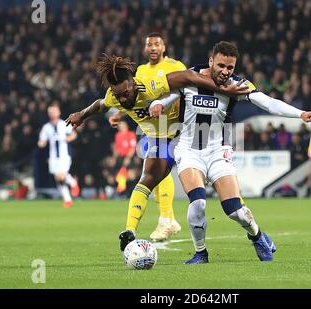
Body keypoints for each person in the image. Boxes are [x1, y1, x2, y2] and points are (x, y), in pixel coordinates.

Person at [149, 41, 311, 264]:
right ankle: (201, 252)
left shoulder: (238, 85)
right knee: (198, 203)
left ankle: (257, 235)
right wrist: (158, 104)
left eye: (230, 67)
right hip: (189, 149)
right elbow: (169, 97)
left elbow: (268, 103)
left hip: (218, 151)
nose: (225, 71)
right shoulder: (191, 77)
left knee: (235, 211)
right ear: (211, 61)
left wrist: (300, 114)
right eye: (221, 65)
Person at [65, 53, 249, 251]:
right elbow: (100, 105)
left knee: (222, 188)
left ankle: (243, 215)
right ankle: (130, 231)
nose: (123, 98)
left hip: (189, 135)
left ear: (133, 83)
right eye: (118, 95)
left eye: (125, 92)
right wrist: (82, 115)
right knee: (147, 179)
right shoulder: (115, 96)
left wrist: (223, 88)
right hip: (161, 139)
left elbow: (188, 76)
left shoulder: (151, 85)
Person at [109, 33, 186, 242]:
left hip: (176, 127)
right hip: (152, 129)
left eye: (157, 44)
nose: (153, 47)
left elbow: (185, 89)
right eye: (149, 44)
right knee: (157, 171)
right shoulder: (141, 71)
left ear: (164, 47)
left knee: (160, 172)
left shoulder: (175, 65)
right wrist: (119, 113)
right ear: (144, 49)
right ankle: (166, 218)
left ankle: (168, 219)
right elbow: (136, 99)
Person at [38, 103, 80, 208]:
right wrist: (41, 143)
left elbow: (74, 134)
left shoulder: (64, 124)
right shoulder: (46, 127)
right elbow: (42, 140)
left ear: (59, 112)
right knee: (59, 179)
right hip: (53, 157)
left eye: (54, 111)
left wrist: (68, 139)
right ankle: (68, 200)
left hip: (63, 156)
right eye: (50, 112)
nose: (52, 113)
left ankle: (73, 183)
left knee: (61, 175)